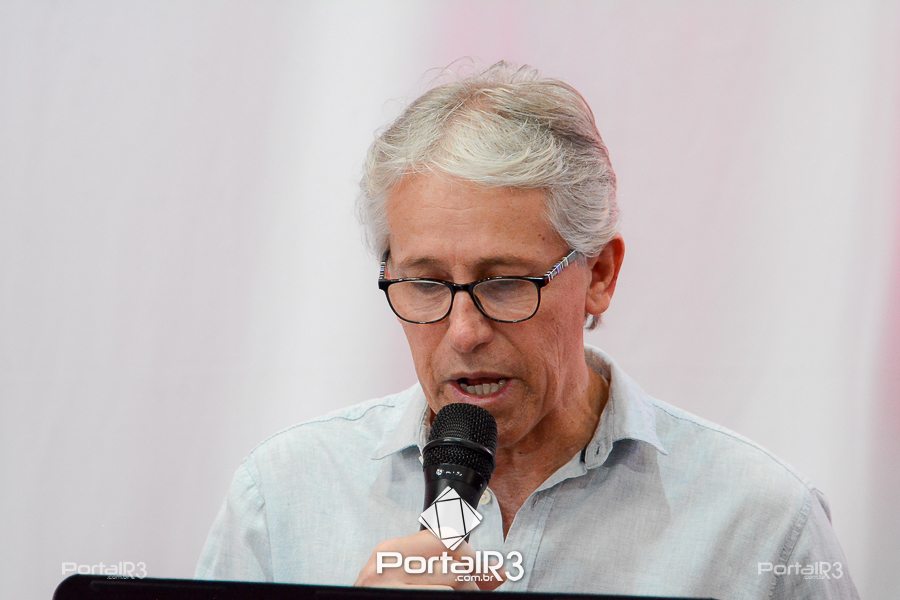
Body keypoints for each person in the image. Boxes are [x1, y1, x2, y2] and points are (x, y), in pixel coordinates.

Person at [196, 61, 859, 598]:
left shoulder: (761, 521)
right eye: (426, 283)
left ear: (600, 274)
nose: (463, 333)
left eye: (505, 282)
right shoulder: (283, 498)